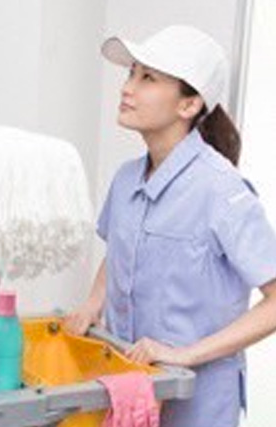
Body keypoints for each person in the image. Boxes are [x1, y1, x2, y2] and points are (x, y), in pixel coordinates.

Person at [64, 25, 276, 426]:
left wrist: (185, 355)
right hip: (132, 392)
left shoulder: (221, 190)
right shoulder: (126, 179)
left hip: (200, 403)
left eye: (148, 78)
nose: (127, 88)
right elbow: (119, 253)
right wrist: (92, 303)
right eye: (131, 74)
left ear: (189, 104)